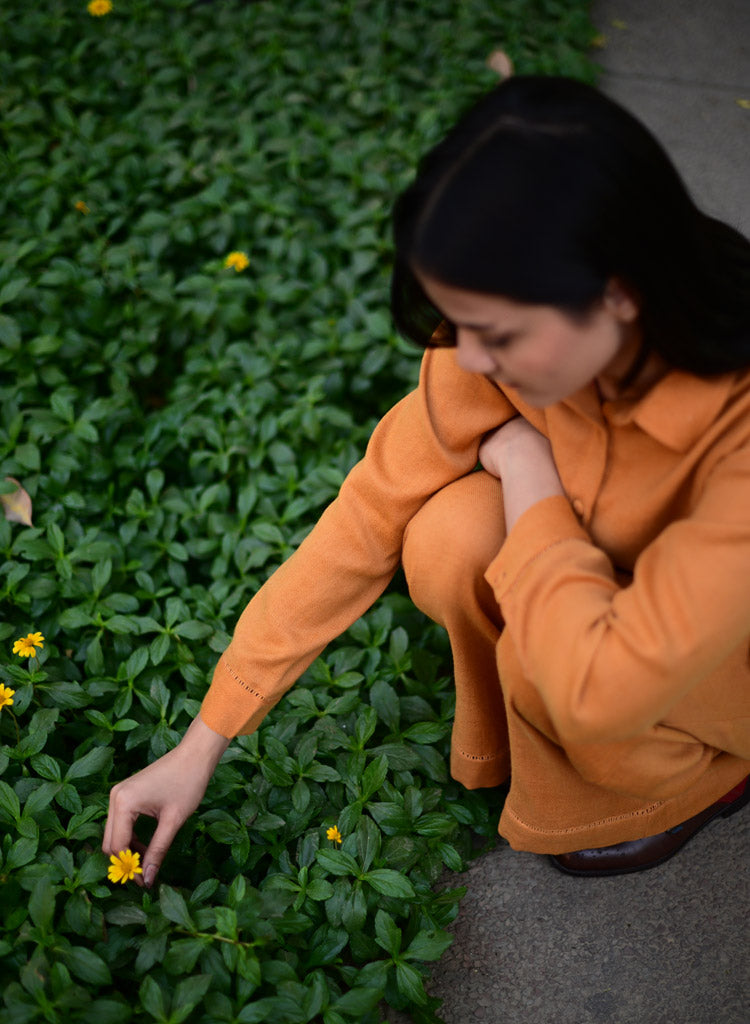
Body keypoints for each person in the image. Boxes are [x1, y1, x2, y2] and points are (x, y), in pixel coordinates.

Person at [103, 76, 750, 884]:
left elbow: (596, 685)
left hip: (710, 661)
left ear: (617, 292)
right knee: (448, 536)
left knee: (552, 657)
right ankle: (543, 757)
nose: (469, 358)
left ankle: (700, 779)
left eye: (498, 334)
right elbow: (368, 516)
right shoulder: (509, 340)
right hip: (609, 606)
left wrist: (527, 466)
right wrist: (204, 739)